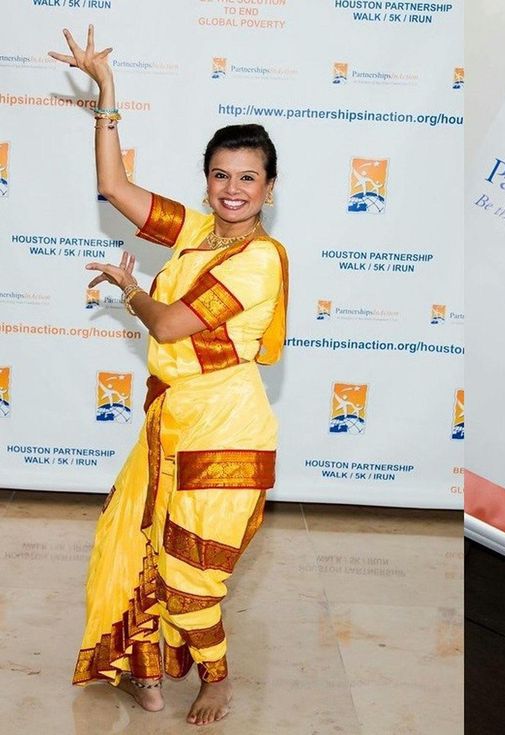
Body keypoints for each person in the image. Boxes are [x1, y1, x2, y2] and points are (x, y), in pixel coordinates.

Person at [51, 27, 288, 725]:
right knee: (138, 544)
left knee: (190, 572)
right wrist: (107, 94)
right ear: (208, 180)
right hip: (172, 421)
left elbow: (169, 325)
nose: (233, 188)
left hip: (227, 431)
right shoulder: (195, 232)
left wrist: (131, 290)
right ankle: (145, 674)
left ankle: (217, 677)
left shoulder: (261, 259)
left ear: (269, 188)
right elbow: (114, 186)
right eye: (221, 175)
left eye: (248, 177)